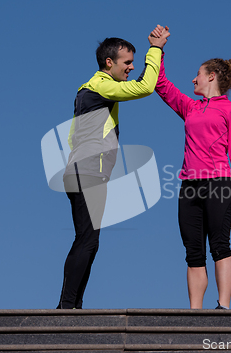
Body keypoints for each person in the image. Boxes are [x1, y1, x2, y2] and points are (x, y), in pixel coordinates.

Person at [57, 27, 171, 309]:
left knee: (90, 241)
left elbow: (74, 136)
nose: (131, 67)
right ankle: (66, 307)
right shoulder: (100, 85)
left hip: (84, 172)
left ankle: (72, 305)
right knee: (87, 239)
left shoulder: (91, 91)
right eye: (127, 63)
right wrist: (155, 50)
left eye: (133, 62)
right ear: (109, 63)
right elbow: (145, 87)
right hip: (87, 173)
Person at [151, 25, 231, 309]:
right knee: (193, 252)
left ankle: (224, 307)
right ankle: (195, 313)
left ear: (211, 77)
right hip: (189, 186)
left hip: (218, 183)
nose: (193, 79)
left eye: (198, 74)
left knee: (220, 246)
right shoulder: (190, 107)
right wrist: (158, 49)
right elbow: (161, 85)